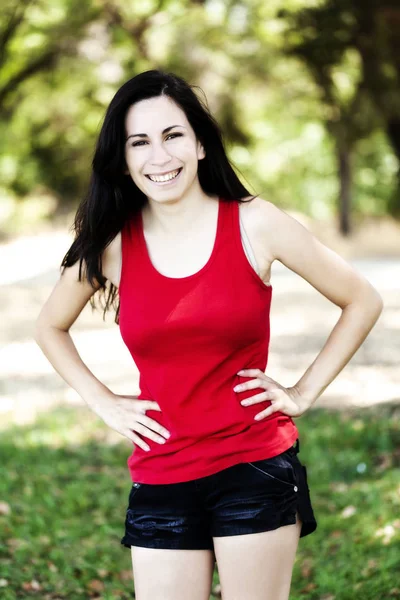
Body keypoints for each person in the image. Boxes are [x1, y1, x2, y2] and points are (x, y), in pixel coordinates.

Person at [34, 69, 383, 600]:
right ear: (123, 160)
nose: (159, 156)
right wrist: (102, 400)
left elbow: (362, 298)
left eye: (173, 135)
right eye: (139, 142)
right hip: (161, 471)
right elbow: (49, 326)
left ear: (199, 143)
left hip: (254, 465)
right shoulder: (110, 245)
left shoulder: (255, 223)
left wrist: (302, 392)